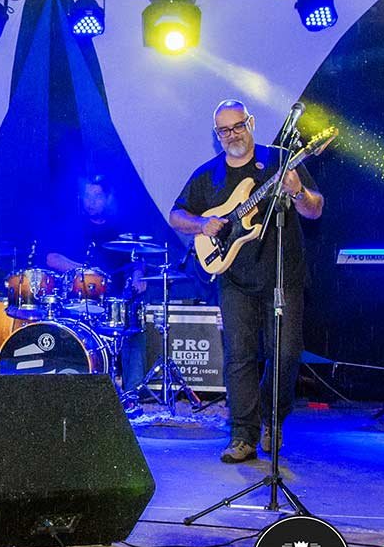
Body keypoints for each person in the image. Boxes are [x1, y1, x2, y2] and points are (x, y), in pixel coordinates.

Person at [169, 100, 323, 463]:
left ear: (250, 123)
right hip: (235, 278)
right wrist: (201, 224)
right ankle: (242, 435)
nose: (232, 135)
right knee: (239, 357)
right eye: (224, 130)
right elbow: (176, 215)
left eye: (237, 126)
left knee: (286, 355)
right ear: (216, 135)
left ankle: (272, 418)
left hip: (283, 276)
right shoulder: (208, 175)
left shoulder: (280, 160)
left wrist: (298, 191)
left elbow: (315, 209)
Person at [46, 174, 147, 403]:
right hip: (75, 299)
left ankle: (132, 393)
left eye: (97, 196)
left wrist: (138, 276)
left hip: (114, 299)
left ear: (108, 198)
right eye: (87, 196)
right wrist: (86, 271)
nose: (91, 201)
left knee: (134, 325)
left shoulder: (120, 227)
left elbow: (138, 259)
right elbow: (52, 258)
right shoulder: (71, 225)